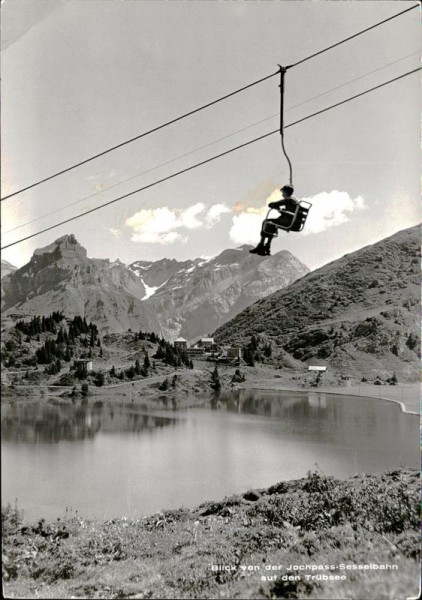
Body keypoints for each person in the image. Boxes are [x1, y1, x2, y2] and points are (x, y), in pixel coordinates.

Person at [249, 185, 298, 256]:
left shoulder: (288, 200)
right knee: (272, 225)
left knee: (266, 222)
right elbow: (291, 212)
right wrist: (282, 210)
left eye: (283, 192)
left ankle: (261, 246)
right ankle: (266, 247)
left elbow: (271, 204)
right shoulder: (294, 201)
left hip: (287, 221)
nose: (282, 194)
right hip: (292, 221)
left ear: (286, 192)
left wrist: (277, 207)